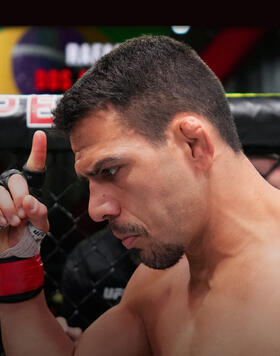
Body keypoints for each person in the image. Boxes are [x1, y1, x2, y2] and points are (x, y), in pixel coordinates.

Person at [1, 34, 280, 355]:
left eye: (111, 170)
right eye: (90, 180)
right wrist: (14, 263)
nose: (95, 210)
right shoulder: (161, 283)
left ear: (193, 144)